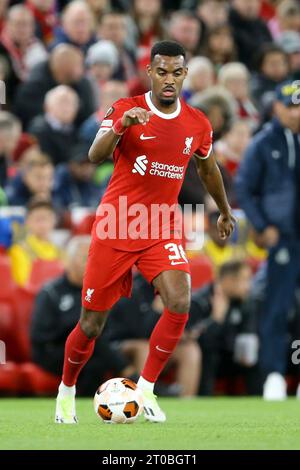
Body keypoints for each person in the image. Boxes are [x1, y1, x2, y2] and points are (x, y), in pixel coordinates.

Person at [55, 40, 235, 424]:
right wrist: (122, 126)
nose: (169, 79)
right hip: (118, 223)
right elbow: (95, 155)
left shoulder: (197, 123)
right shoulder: (125, 108)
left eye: (176, 72)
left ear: (184, 74)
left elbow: (207, 168)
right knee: (91, 324)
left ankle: (147, 390)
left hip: (161, 225)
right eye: (162, 71)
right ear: (149, 72)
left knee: (180, 301)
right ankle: (66, 391)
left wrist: (223, 209)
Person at [235, 80, 300, 400]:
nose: (297, 113)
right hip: (283, 238)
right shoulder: (263, 144)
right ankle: (274, 373)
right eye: (291, 106)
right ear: (276, 107)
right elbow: (244, 188)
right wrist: (262, 225)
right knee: (277, 308)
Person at [31, 235, 137, 395]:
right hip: (52, 351)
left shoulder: (96, 291)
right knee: (94, 347)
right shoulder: (51, 292)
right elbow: (39, 336)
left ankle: (130, 389)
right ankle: (134, 382)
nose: (92, 264)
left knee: (98, 346)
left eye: (95, 258)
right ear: (69, 261)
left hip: (90, 348)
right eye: (86, 258)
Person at [187, 260, 261, 396]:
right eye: (244, 280)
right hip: (207, 358)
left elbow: (248, 333)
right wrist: (216, 319)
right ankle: (204, 402)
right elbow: (199, 341)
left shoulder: (244, 302)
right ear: (228, 280)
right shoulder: (200, 301)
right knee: (209, 356)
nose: (248, 287)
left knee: (257, 356)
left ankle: (259, 403)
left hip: (232, 355)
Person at [13, 44, 96, 129]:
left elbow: (88, 114)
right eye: (78, 66)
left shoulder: (81, 82)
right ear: (63, 71)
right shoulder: (34, 86)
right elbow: (29, 117)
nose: (82, 70)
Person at [9, 197, 62, 286]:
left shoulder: (59, 251)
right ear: (27, 222)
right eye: (38, 219)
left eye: (47, 218)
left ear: (54, 221)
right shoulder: (19, 250)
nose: (43, 224)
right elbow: (22, 285)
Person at [28, 85, 80, 165]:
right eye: (62, 102)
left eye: (71, 103)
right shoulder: (39, 130)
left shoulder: (74, 129)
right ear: (47, 106)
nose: (67, 108)